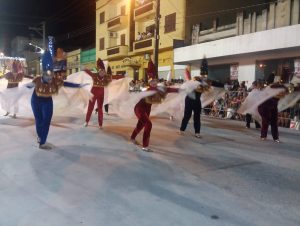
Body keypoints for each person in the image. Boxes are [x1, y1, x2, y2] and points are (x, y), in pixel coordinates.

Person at [29, 50, 82, 150]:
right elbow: (28, 86)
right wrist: (27, 86)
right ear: (43, 73)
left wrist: (78, 85)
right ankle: (40, 137)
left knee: (46, 121)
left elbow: (66, 84)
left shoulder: (55, 80)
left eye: (51, 75)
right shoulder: (37, 80)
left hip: (47, 102)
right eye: (47, 75)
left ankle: (42, 142)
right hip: (35, 101)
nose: (49, 78)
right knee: (39, 120)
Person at [130, 59, 177, 152]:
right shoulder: (146, 89)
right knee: (148, 124)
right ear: (149, 81)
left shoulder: (159, 89)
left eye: (155, 81)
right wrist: (132, 87)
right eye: (152, 81)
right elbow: (133, 90)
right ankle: (145, 145)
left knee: (141, 125)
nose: (154, 83)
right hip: (139, 108)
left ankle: (132, 138)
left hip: (147, 110)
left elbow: (170, 89)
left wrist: (183, 90)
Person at [84, 58, 111, 128]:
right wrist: (84, 68)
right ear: (99, 71)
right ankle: (86, 121)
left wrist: (123, 76)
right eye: (101, 71)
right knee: (90, 108)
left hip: (101, 95)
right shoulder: (94, 75)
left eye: (103, 71)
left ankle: (100, 124)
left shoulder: (106, 77)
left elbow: (115, 77)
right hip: (93, 94)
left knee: (100, 109)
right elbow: (88, 72)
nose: (102, 72)